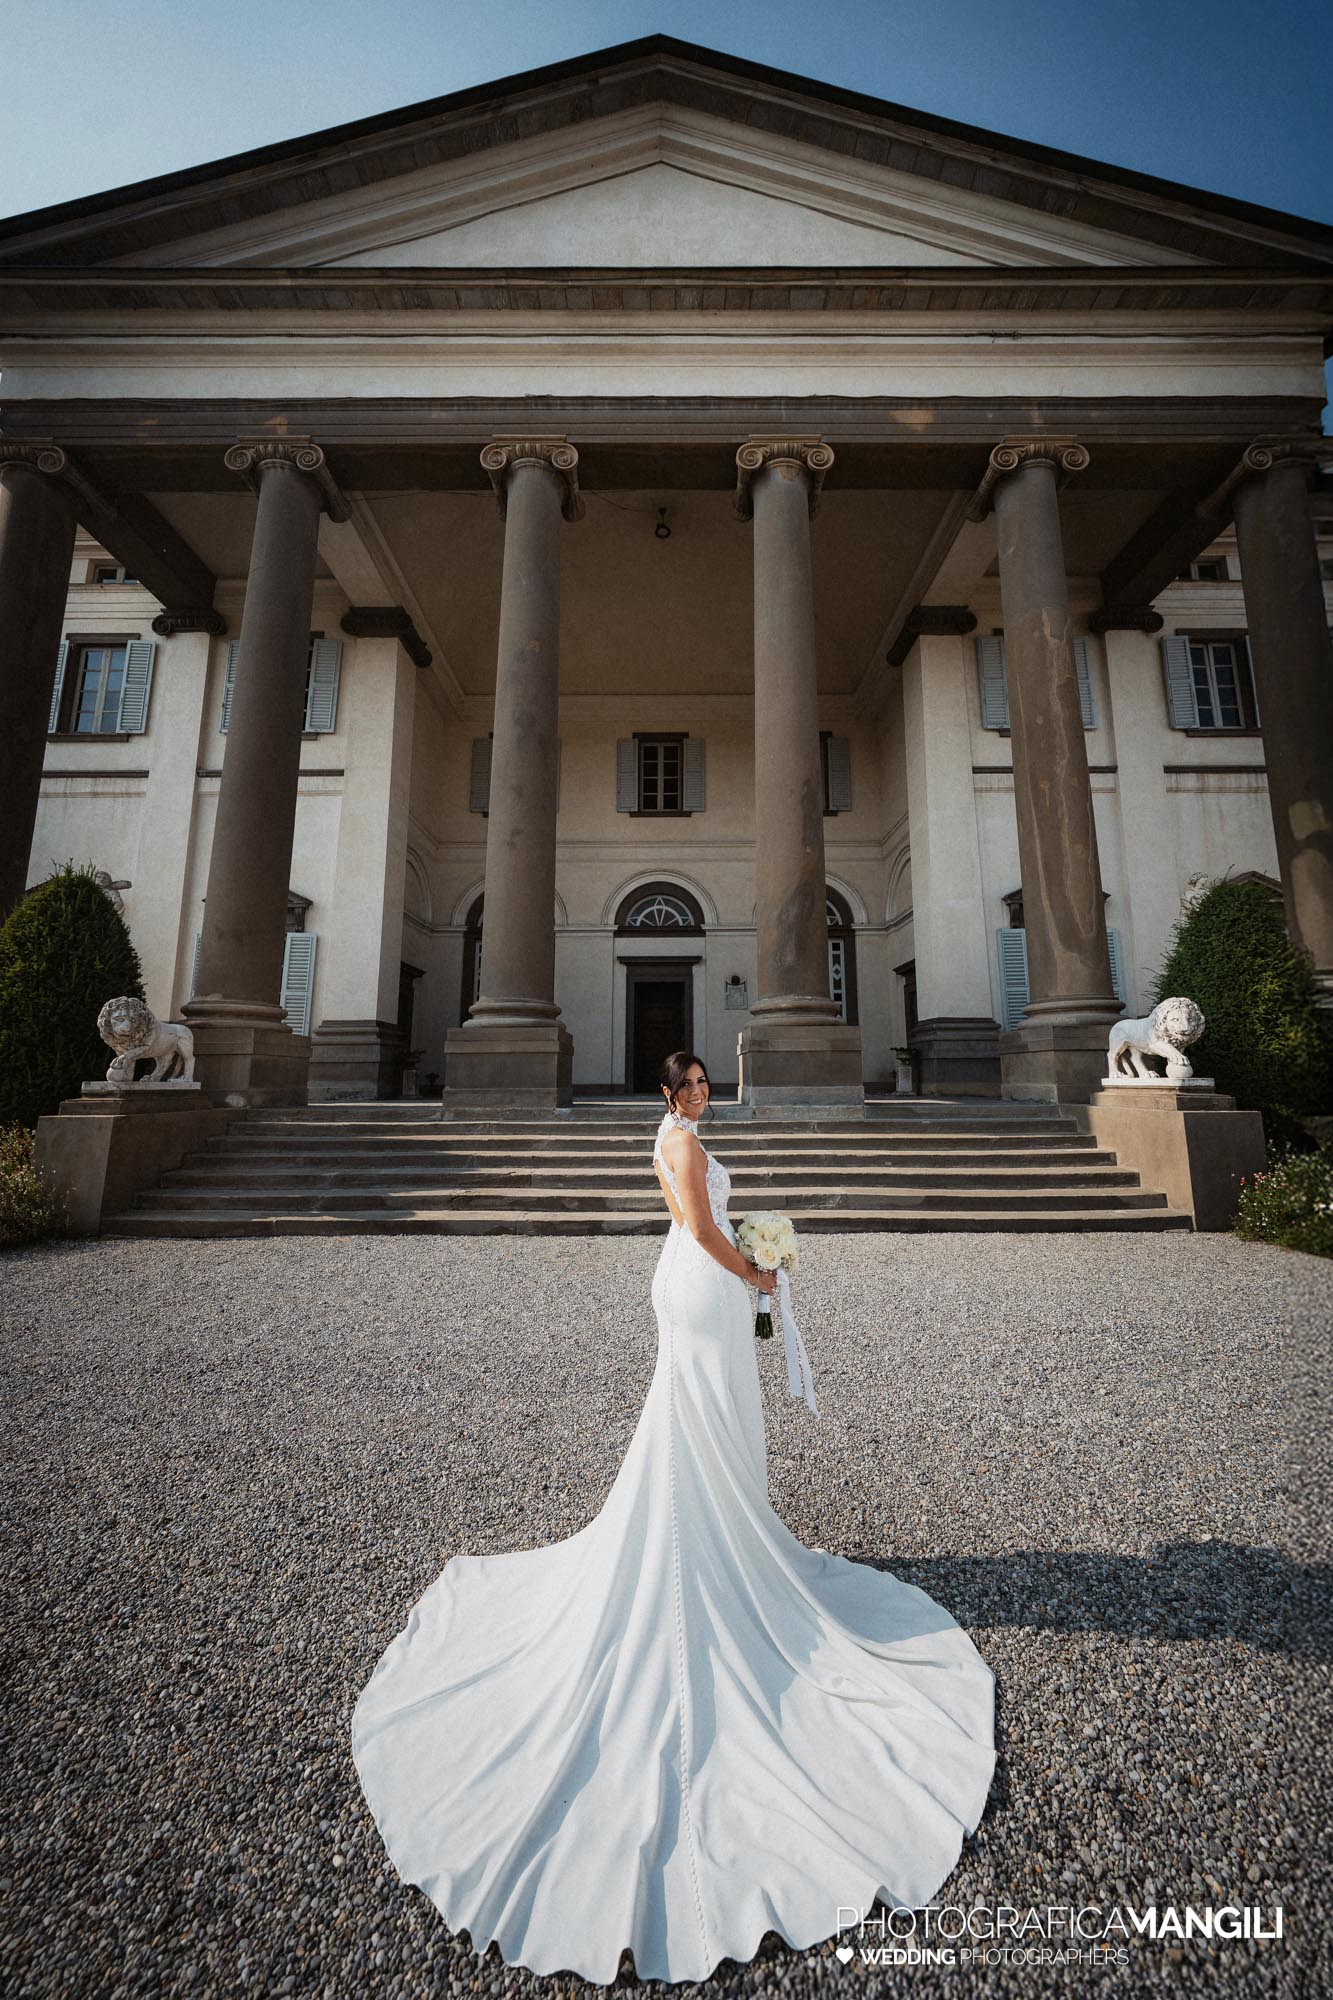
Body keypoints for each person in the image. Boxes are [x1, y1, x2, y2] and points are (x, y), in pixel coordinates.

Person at [351, 1049, 996, 1983]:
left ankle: (715, 1532)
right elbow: (697, 1229)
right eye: (686, 1083)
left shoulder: (674, 1136)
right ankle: (709, 1554)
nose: (698, 1091)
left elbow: (695, 1218)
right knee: (700, 1418)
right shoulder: (683, 1143)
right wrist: (758, 1275)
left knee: (695, 1424)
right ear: (668, 1093)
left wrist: (747, 1258)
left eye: (702, 1081)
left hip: (691, 1286)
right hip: (702, 1286)